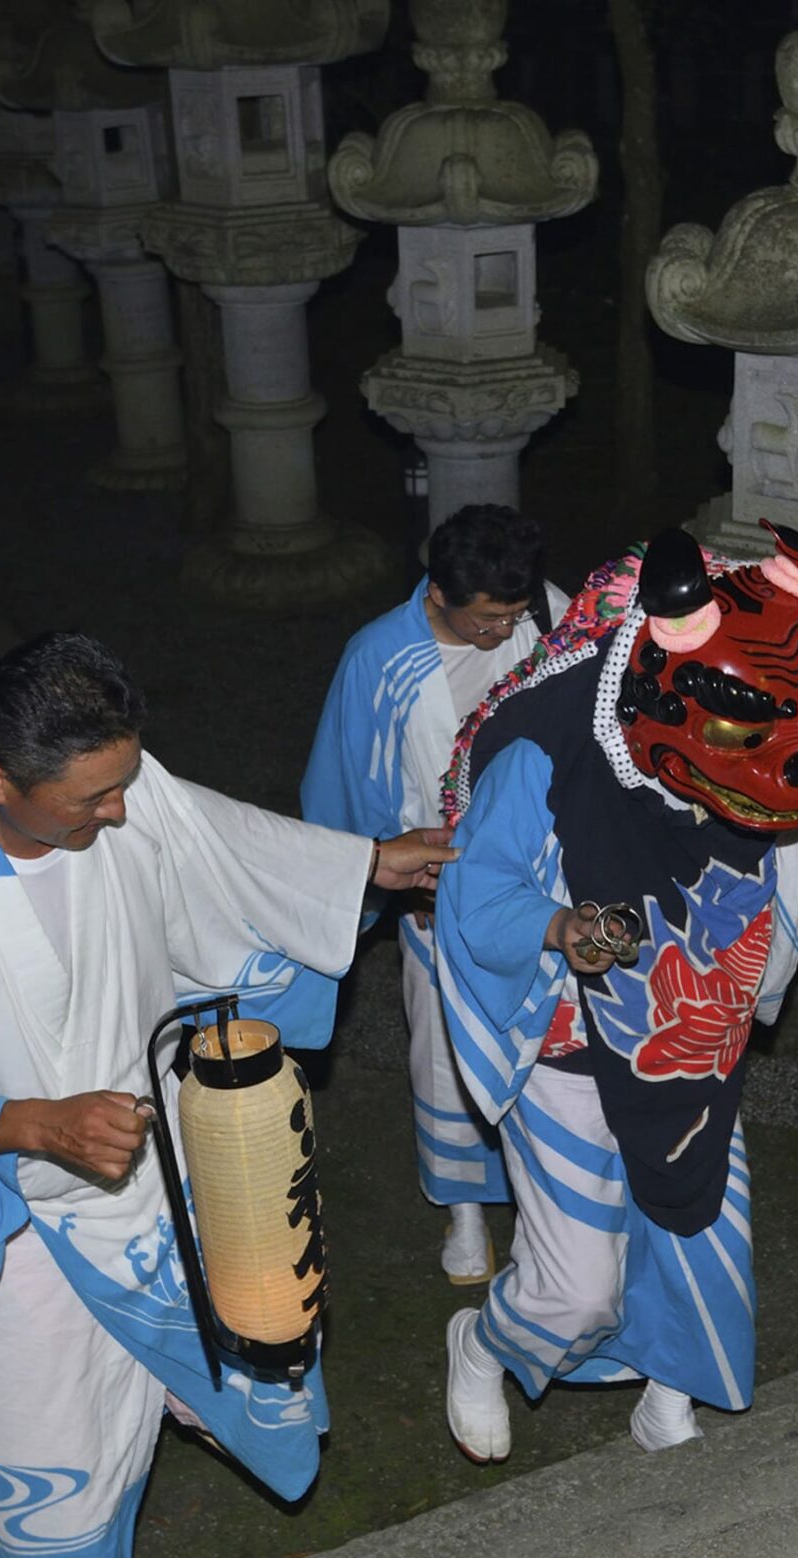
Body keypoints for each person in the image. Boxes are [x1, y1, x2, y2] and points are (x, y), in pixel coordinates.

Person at [0, 631, 452, 1558]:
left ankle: (178, 1398)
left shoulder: (121, 786)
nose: (120, 811)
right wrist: (31, 1122)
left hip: (152, 1163)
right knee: (57, 1426)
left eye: (123, 782)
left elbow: (225, 846)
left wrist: (370, 867)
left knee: (228, 1346)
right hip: (17, 1210)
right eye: (90, 800)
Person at [430, 524, 798, 1462]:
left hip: (690, 1028)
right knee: (577, 1286)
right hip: (566, 1031)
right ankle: (485, 1343)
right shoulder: (546, 743)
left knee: (695, 1227)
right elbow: (476, 899)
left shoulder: (729, 715)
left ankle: (667, 1386)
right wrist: (561, 928)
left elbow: (757, 798)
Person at [301, 503, 571, 1284]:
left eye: (512, 617)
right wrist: (380, 875)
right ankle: (462, 1211)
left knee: (546, 1041)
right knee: (445, 1054)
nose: (502, 634)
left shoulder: (544, 612)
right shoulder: (378, 659)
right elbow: (340, 791)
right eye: (487, 621)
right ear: (438, 594)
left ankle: (542, 1208)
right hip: (439, 885)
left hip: (544, 875)